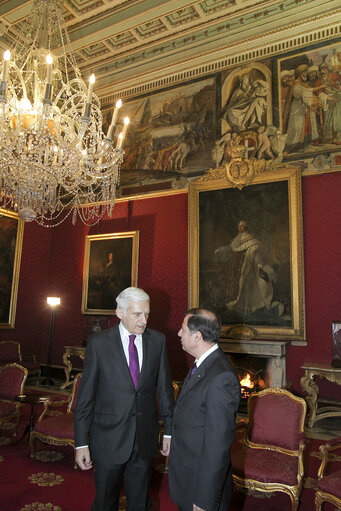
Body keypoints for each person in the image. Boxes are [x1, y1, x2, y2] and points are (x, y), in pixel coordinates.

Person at [74, 286, 175, 511]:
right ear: (119, 312)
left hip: (144, 438)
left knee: (140, 503)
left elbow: (164, 390)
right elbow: (86, 397)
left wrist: (169, 431)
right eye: (137, 314)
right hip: (108, 438)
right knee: (104, 503)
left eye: (147, 314)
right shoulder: (99, 343)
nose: (143, 321)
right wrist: (81, 443)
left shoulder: (157, 341)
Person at [168, 308, 241, 511]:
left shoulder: (221, 378)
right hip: (189, 475)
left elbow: (217, 446)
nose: (179, 333)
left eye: (183, 329)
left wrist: (204, 499)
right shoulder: (204, 364)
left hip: (202, 489)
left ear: (197, 336)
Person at [215, 220, 283, 317]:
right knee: (238, 289)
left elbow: (256, 250)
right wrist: (221, 250)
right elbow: (231, 247)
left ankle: (248, 309)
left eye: (242, 226)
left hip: (248, 268)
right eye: (239, 226)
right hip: (237, 269)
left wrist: (259, 265)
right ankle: (242, 308)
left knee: (248, 288)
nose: (240, 228)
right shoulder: (238, 238)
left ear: (245, 227)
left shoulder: (250, 238)